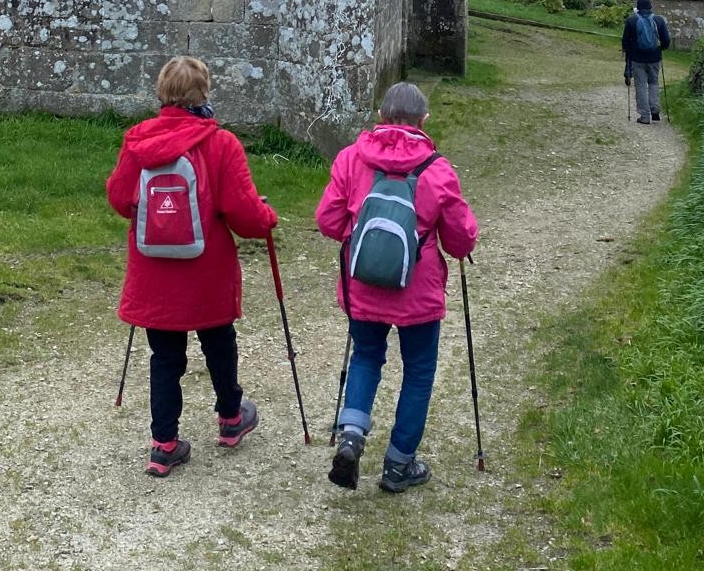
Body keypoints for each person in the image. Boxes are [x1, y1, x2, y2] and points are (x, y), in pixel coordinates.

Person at [106, 56, 277, 477]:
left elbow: (118, 198)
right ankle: (231, 418)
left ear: (162, 93)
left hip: (154, 271)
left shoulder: (137, 143)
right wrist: (268, 217)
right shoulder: (220, 144)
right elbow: (245, 215)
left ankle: (164, 444)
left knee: (164, 356)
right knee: (219, 343)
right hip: (207, 271)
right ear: (203, 94)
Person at [316, 81, 478, 494]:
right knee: (418, 373)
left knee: (366, 357)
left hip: (363, 286)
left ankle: (351, 436)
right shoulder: (437, 168)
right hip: (417, 292)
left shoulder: (352, 159)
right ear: (424, 121)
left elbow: (329, 222)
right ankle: (398, 465)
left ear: (381, 117)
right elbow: (459, 241)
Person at [622, 0, 671, 123]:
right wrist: (661, 48)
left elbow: (625, 42)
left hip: (638, 58)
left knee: (641, 85)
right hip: (654, 57)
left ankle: (644, 116)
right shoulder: (659, 20)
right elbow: (666, 40)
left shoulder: (631, 21)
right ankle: (655, 109)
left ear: (638, 8)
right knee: (654, 83)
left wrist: (629, 53)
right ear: (650, 7)